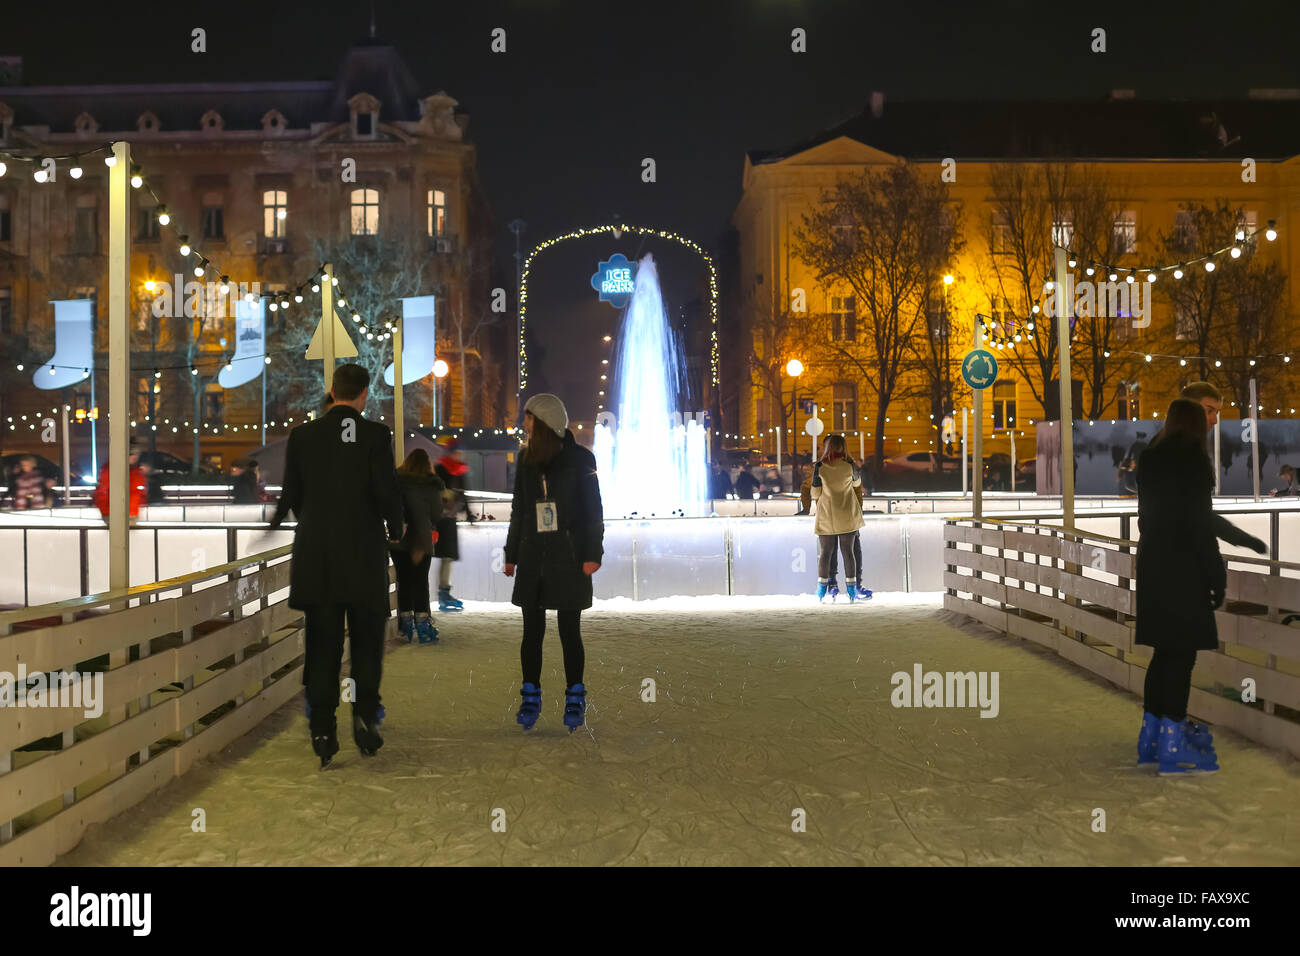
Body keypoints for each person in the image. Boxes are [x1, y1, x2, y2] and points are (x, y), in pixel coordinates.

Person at [269, 363, 404, 768]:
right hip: (362, 558)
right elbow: (386, 493)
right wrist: (395, 528)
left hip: (318, 559)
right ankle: (364, 717)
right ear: (364, 395)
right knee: (366, 645)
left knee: (323, 647)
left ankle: (323, 730)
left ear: (332, 390)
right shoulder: (376, 437)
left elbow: (292, 493)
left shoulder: (304, 436)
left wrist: (315, 522)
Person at [504, 393, 604, 732]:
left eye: (529, 418)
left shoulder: (581, 460)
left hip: (569, 556)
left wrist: (593, 554)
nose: (525, 423)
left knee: (568, 629)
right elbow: (519, 510)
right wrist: (511, 553)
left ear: (545, 421)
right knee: (531, 631)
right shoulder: (527, 460)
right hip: (534, 555)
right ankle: (530, 694)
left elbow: (593, 513)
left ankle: (575, 695)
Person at [1135, 398, 1223, 774]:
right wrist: (1216, 575)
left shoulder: (1150, 462)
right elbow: (1200, 527)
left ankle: (1151, 737)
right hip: (1184, 570)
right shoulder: (1194, 465)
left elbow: (1145, 519)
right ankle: (1173, 742)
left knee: (1163, 653)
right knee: (1182, 657)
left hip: (1154, 565)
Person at [1179, 382, 1268, 554]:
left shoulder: (1189, 448)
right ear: (1187, 410)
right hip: (1182, 561)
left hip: (1185, 557)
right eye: (1209, 410)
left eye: (1217, 412)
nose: (1214, 419)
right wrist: (1240, 538)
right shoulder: (1178, 452)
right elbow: (1192, 512)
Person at [393, 448, 445, 643]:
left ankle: (405, 625)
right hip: (422, 540)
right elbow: (437, 514)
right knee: (420, 581)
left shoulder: (396, 482)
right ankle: (423, 625)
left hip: (399, 540)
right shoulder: (431, 485)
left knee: (404, 581)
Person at [810, 434, 866, 603]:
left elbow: (815, 492)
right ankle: (851, 590)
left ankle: (821, 590)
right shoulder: (849, 465)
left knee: (825, 553)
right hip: (847, 514)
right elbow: (857, 484)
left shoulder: (820, 466)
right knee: (848, 552)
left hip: (827, 514)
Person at [434, 437, 472, 611]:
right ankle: (442, 592)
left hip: (450, 520)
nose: (460, 455)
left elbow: (463, 495)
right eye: (457, 452)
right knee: (444, 555)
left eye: (461, 452)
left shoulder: (460, 472)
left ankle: (444, 591)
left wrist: (470, 516)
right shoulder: (440, 469)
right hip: (439, 520)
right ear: (451, 453)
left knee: (448, 557)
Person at [94, 442, 148, 526]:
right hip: (113, 512)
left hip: (130, 512)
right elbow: (102, 491)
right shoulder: (111, 470)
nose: (135, 457)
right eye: (132, 454)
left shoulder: (136, 471)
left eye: (136, 455)